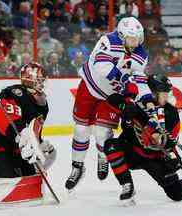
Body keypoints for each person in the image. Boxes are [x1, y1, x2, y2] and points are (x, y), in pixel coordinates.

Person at [65, 17, 155, 191]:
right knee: (81, 130)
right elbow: (101, 64)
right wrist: (123, 78)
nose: (135, 42)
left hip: (112, 96)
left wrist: (148, 102)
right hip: (90, 87)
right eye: (131, 38)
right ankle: (77, 167)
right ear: (121, 35)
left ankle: (102, 156)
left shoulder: (141, 54)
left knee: (102, 133)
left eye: (138, 38)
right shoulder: (108, 40)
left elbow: (138, 80)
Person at [103, 74, 182, 205]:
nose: (167, 96)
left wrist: (173, 157)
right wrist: (125, 106)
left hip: (155, 157)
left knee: (176, 193)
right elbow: (111, 100)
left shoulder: (170, 113)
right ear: (152, 92)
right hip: (132, 152)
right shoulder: (135, 104)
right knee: (110, 145)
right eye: (164, 93)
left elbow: (170, 142)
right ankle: (127, 187)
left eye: (167, 93)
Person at [0, 62, 56, 203]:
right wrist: (23, 140)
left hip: (18, 150)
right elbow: (5, 124)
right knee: (7, 187)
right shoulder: (14, 95)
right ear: (29, 80)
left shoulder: (41, 105)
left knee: (31, 182)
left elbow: (34, 129)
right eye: (39, 80)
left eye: (43, 81)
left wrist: (39, 144)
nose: (42, 84)